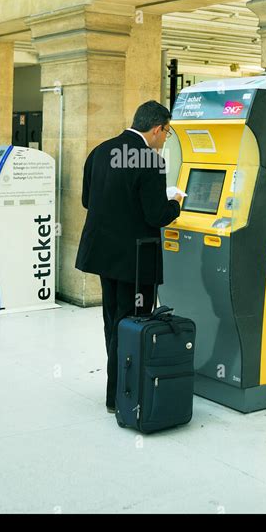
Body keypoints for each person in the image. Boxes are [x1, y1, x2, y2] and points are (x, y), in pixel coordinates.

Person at [75, 100, 182, 413]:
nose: (165, 140)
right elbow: (156, 214)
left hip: (103, 255)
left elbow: (87, 200)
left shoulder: (100, 151)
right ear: (157, 128)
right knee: (132, 323)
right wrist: (175, 201)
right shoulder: (150, 161)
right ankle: (122, 396)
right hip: (135, 261)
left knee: (113, 322)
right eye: (167, 133)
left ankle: (116, 392)